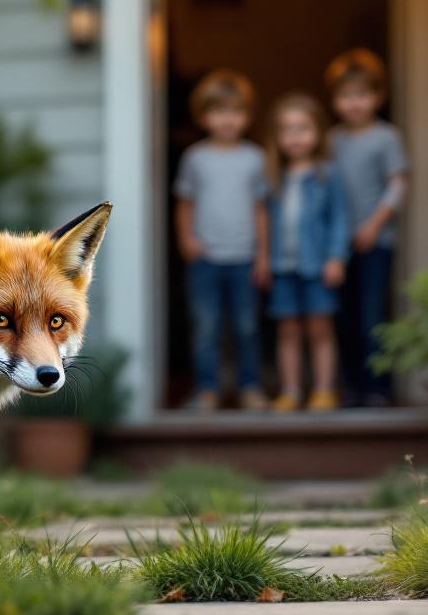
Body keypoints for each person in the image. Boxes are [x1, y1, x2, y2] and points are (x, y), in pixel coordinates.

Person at [174, 70, 270, 411]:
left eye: (236, 111)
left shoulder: (255, 158)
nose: (228, 120)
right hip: (206, 256)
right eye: (219, 111)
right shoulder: (195, 158)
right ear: (203, 116)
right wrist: (187, 239)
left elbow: (261, 210)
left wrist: (263, 256)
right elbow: (185, 203)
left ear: (247, 116)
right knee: (207, 327)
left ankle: (250, 388)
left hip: (245, 256)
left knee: (247, 327)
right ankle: (207, 390)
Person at [325, 49, 409, 407]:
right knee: (342, 316)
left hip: (376, 240)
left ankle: (378, 388)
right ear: (334, 101)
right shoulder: (331, 141)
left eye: (362, 95)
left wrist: (374, 225)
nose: (354, 103)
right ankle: (352, 386)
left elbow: (398, 184)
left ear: (378, 96)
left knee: (373, 315)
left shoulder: (386, 137)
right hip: (337, 245)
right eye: (346, 96)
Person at [262, 93, 350, 412]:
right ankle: (290, 389)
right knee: (288, 330)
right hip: (283, 266)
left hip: (318, 266)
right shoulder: (274, 177)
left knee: (320, 328)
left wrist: (336, 257)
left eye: (303, 128)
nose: (295, 137)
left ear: (318, 133)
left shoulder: (328, 175)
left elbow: (340, 219)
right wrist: (264, 261)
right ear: (276, 137)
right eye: (286, 130)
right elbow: (264, 223)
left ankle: (324, 388)